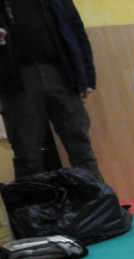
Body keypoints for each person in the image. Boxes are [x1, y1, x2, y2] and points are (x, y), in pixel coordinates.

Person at [0, 0, 104, 182]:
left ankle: (97, 199)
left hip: (61, 73)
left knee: (81, 147)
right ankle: (31, 201)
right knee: (27, 154)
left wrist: (87, 76)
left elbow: (76, 30)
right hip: (16, 80)